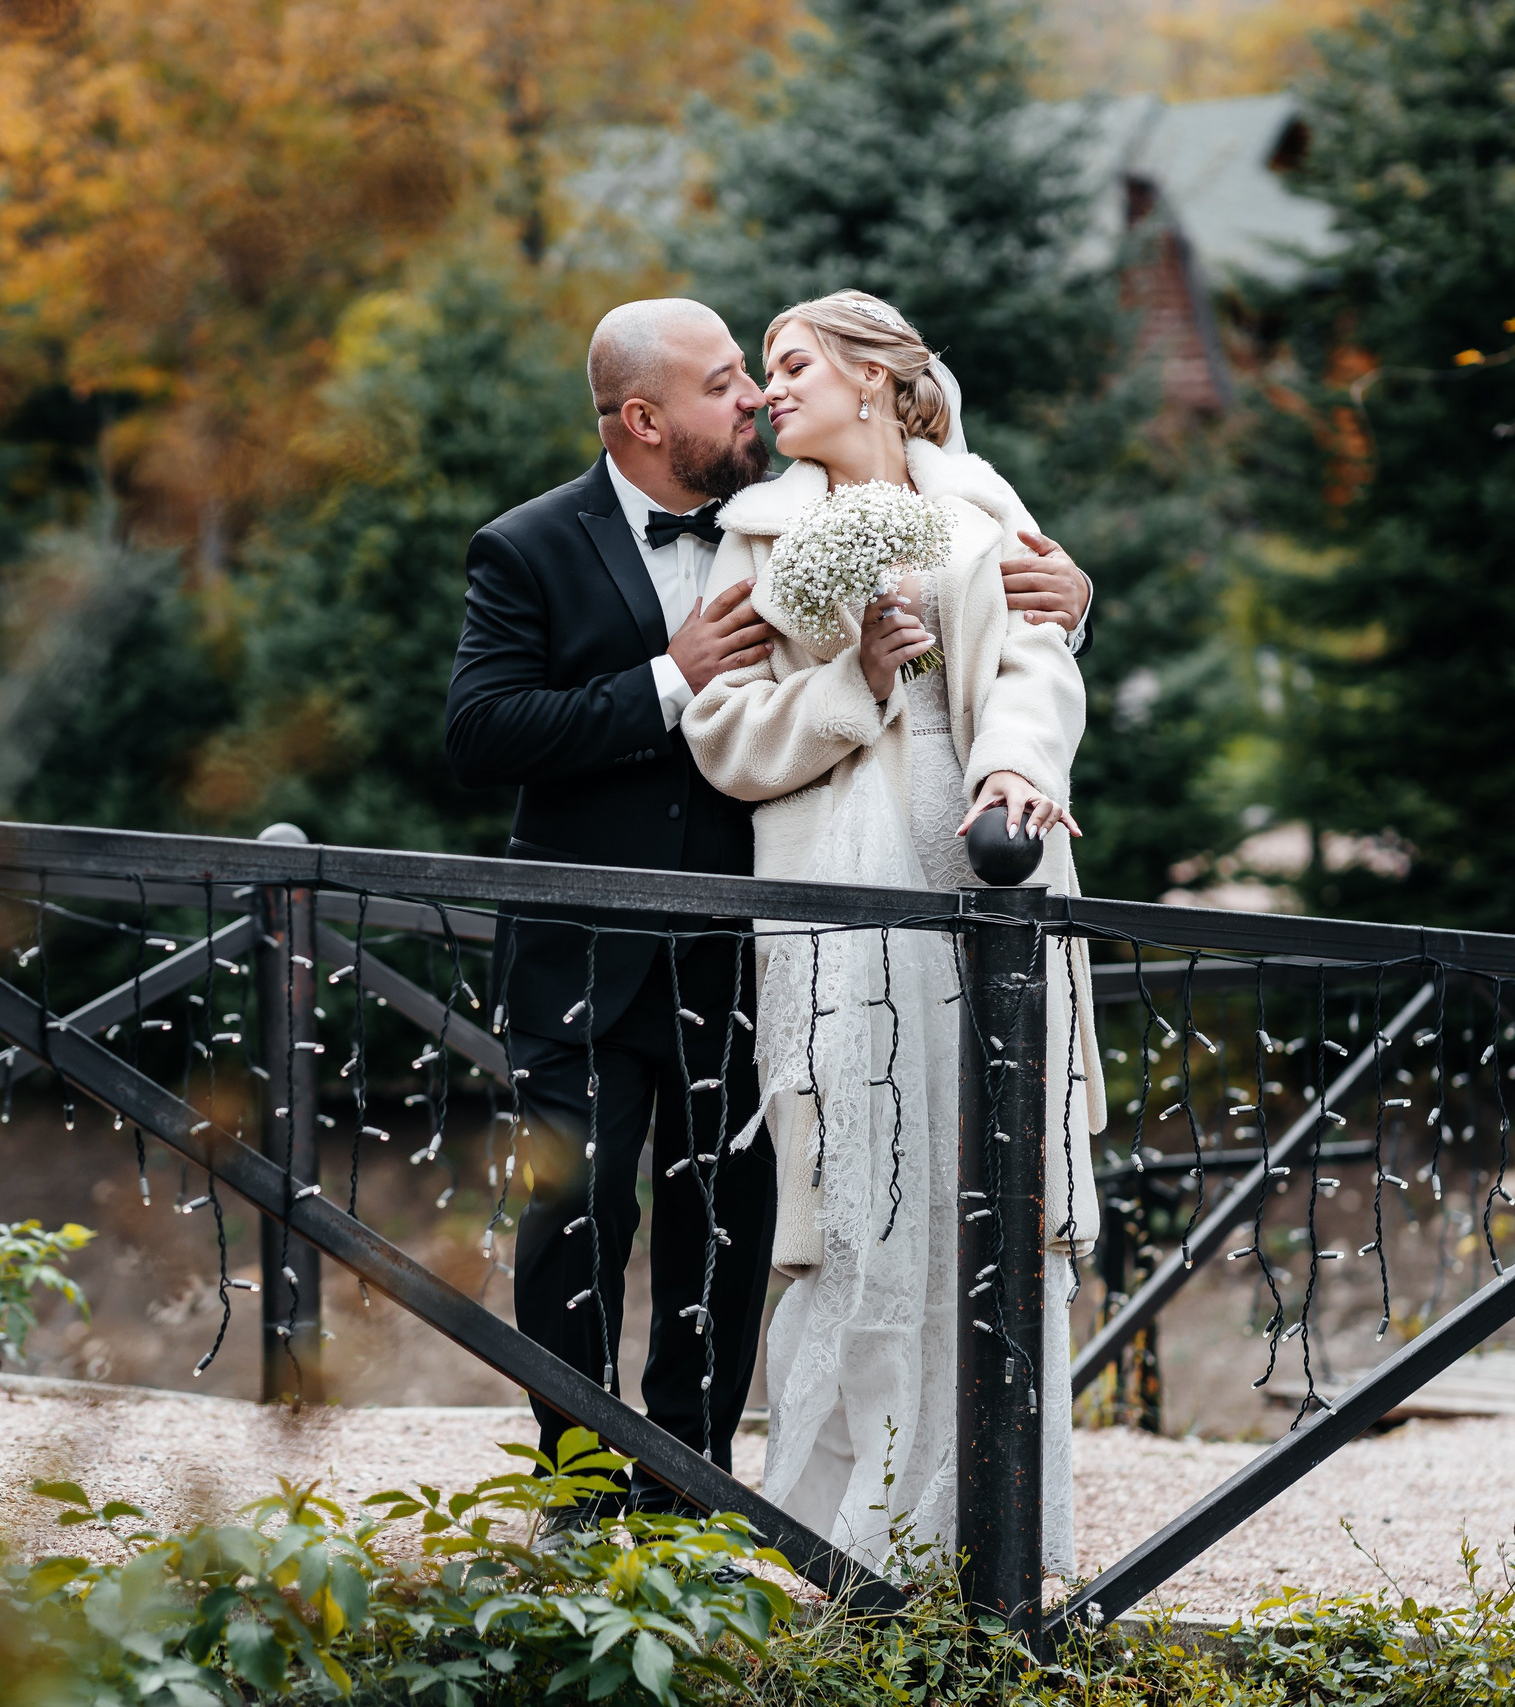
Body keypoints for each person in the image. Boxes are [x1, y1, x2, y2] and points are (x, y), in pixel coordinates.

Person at [444, 297, 1094, 1531]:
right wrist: (669, 676)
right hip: (592, 940)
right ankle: (578, 1486)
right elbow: (480, 732)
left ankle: (688, 1484)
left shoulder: (825, 500)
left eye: (763, 370)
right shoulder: (530, 546)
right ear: (645, 419)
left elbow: (1007, 638)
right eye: (724, 380)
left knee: (731, 1223)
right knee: (576, 1213)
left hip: (745, 938)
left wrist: (1073, 600)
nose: (752, 395)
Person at [681, 289, 1111, 1574]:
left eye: (792, 364)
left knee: (990, 1171)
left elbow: (1037, 658)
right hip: (837, 876)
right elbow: (721, 733)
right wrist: (855, 679)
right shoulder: (754, 535)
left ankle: (990, 1538)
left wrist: (1017, 769)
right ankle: (842, 1540)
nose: (769, 391)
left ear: (874, 376)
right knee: (861, 1184)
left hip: (980, 855)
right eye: (763, 371)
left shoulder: (983, 506)